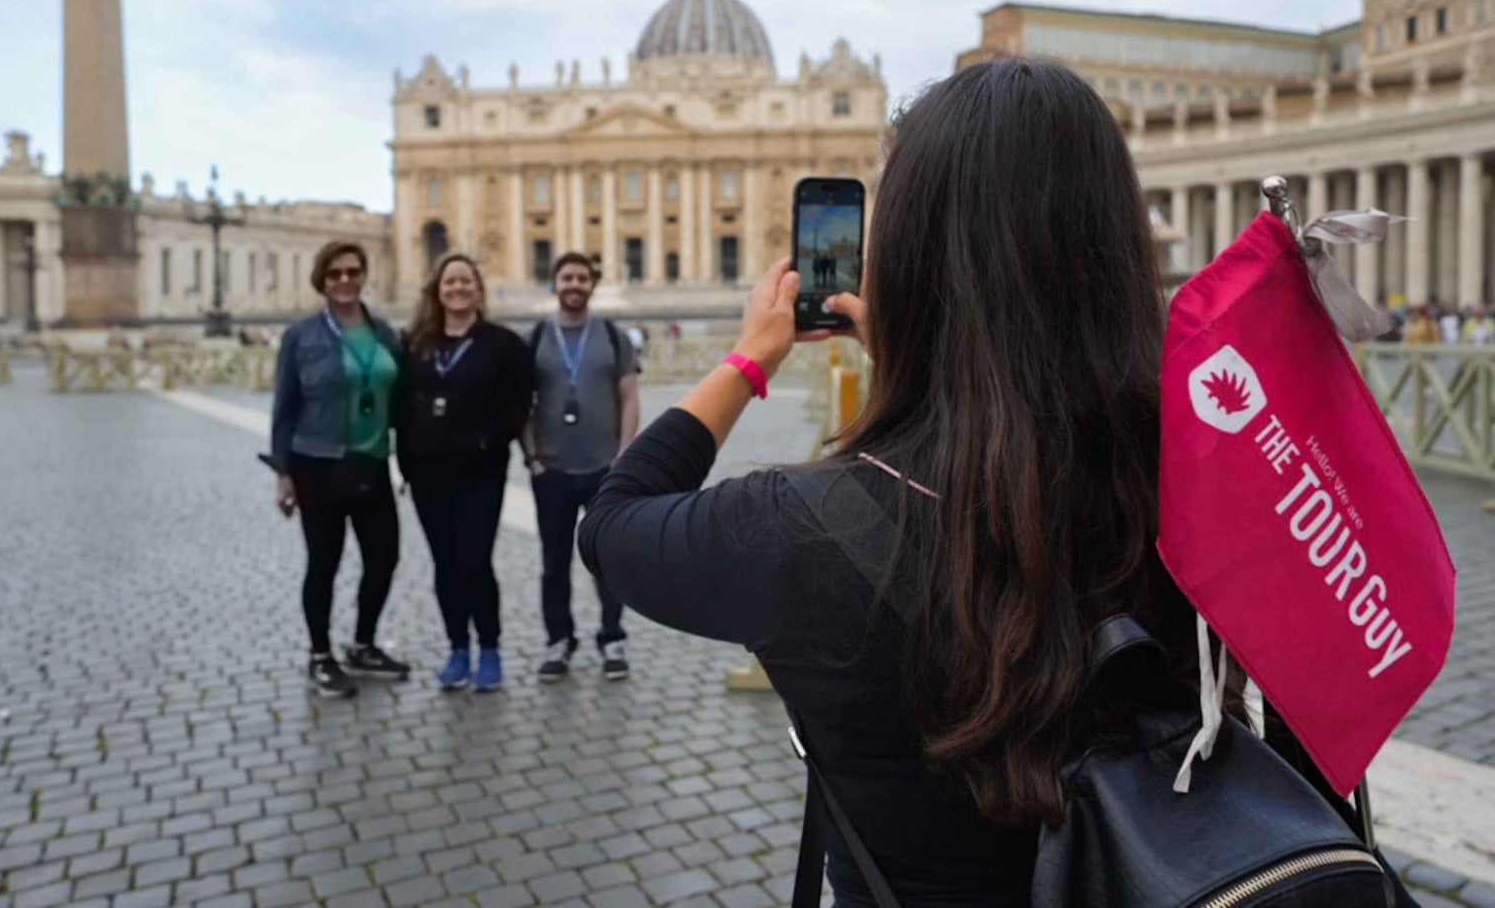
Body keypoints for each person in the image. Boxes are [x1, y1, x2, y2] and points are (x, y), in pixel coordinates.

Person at [577, 59, 1240, 905]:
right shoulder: (1210, 483)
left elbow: (612, 519)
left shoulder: (799, 530)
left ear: (909, 261)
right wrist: (934, 367)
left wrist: (750, 361)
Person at [269, 240, 410, 699]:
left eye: (353, 271)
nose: (345, 280)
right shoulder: (301, 336)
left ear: (364, 275)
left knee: (383, 559)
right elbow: (285, 408)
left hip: (371, 462)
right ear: (322, 280)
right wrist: (283, 473)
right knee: (323, 563)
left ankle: (363, 643)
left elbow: (403, 397)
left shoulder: (385, 332)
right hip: (318, 463)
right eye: (335, 274)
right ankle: (319, 654)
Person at [399, 254, 533, 692]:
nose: (457, 289)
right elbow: (401, 406)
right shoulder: (417, 344)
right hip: (426, 474)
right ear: (437, 290)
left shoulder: (504, 344)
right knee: (444, 565)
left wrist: (487, 439)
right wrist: (405, 462)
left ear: (478, 289)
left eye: (465, 281)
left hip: (480, 472)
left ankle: (489, 648)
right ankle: (458, 648)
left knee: (474, 562)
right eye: (449, 282)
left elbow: (519, 403)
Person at [521, 252, 641, 683]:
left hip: (604, 468)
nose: (574, 284)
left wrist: (625, 454)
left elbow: (629, 395)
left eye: (581, 278)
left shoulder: (612, 335)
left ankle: (612, 637)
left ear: (592, 284)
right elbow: (522, 403)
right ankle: (559, 640)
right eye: (566, 277)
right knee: (553, 562)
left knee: (607, 558)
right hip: (551, 469)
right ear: (556, 284)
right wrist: (532, 456)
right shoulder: (535, 337)